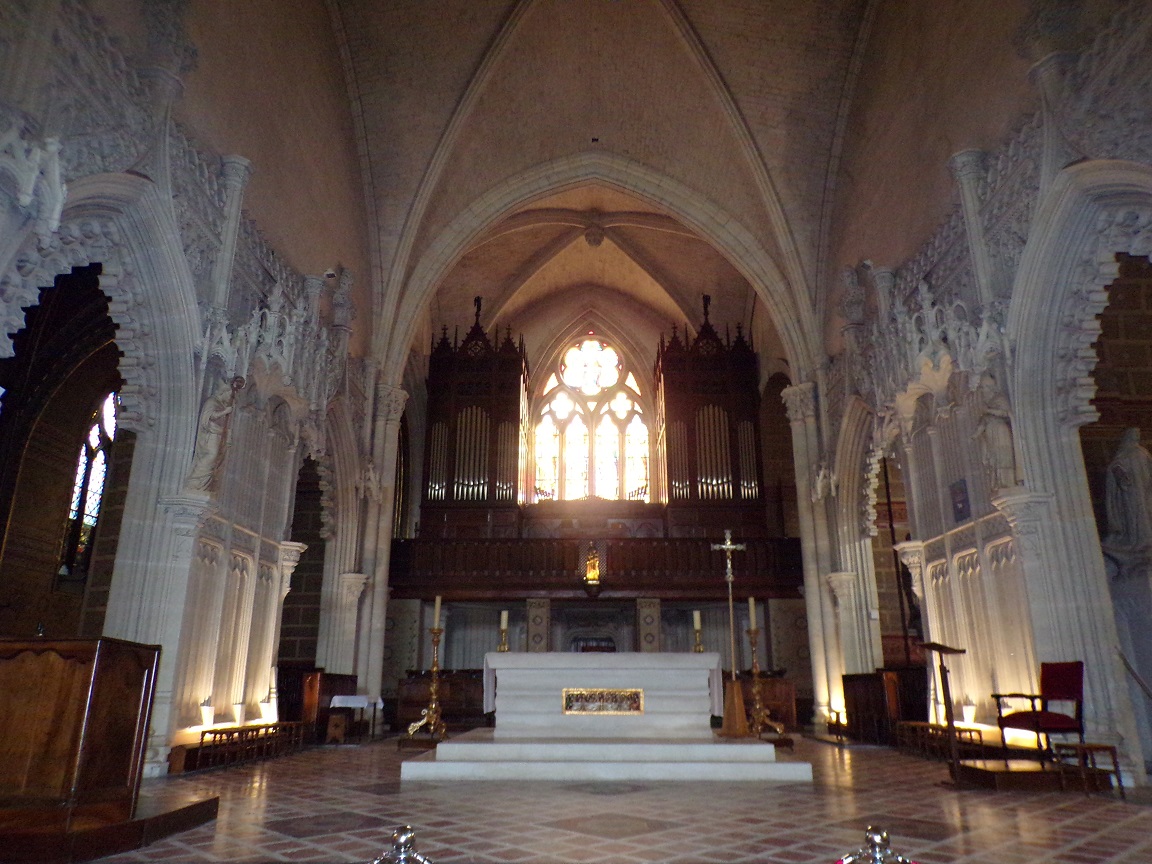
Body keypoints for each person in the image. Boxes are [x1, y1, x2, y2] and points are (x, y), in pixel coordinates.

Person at [186, 375, 245, 491]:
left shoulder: (223, 404)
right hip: (210, 435)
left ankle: (204, 485)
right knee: (211, 455)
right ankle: (195, 482)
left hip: (218, 435)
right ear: (224, 393)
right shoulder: (213, 401)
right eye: (229, 395)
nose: (230, 398)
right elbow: (209, 416)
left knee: (217, 459)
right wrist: (224, 412)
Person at [1104, 427, 1152, 551]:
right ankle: (1137, 539)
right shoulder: (1125, 452)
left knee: (1145, 513)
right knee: (1134, 514)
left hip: (1145, 490)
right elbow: (1116, 467)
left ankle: (1146, 539)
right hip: (1131, 492)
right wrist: (1122, 478)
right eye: (1134, 434)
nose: (1136, 436)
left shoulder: (1143, 452)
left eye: (1138, 434)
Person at [972, 372, 1016, 489]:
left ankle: (1006, 482)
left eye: (984, 387)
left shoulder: (999, 398)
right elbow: (982, 422)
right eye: (981, 388)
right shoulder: (987, 403)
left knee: (1003, 457)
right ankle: (997, 482)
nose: (982, 390)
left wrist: (989, 411)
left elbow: (1006, 413)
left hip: (1000, 432)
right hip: (990, 434)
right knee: (993, 459)